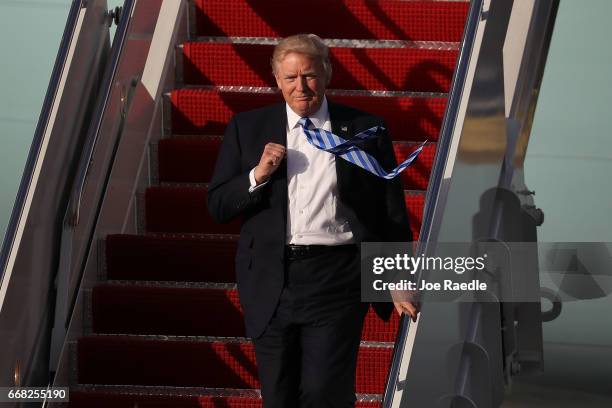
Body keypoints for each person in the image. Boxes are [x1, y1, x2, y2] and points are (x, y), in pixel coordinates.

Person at [208, 33, 418, 408]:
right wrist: (257, 175)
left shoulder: (366, 129)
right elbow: (219, 205)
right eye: (290, 78)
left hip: (336, 278)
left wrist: (397, 276)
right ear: (276, 80)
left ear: (327, 74)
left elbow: (390, 212)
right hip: (271, 280)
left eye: (309, 76)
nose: (301, 87)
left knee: (325, 393)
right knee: (279, 397)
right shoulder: (248, 128)